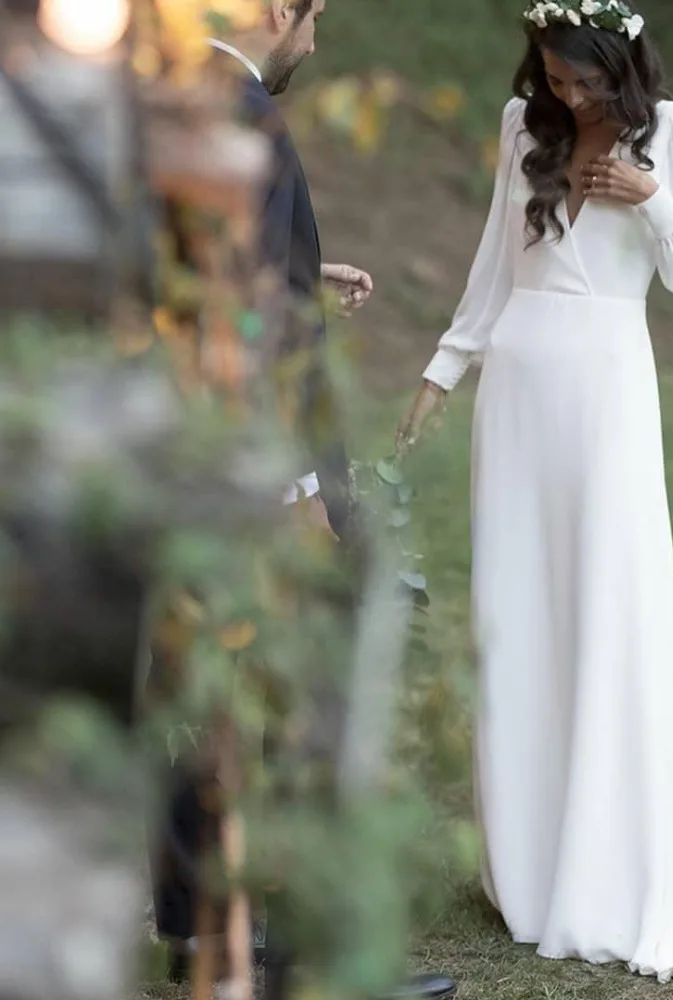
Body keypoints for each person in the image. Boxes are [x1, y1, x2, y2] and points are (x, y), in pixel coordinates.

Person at [397, 2, 673, 996]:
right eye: (551, 75)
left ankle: (607, 866)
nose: (566, 94)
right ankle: (530, 872)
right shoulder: (523, 128)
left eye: (581, 79)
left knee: (607, 612)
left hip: (606, 397)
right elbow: (492, 271)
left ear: (620, 59)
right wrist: (444, 366)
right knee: (516, 618)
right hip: (516, 395)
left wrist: (651, 198)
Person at [149, 4, 456, 1000]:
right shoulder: (244, 105)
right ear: (280, 10)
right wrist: (297, 495)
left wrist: (295, 270)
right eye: (314, 16)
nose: (314, 43)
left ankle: (198, 933)